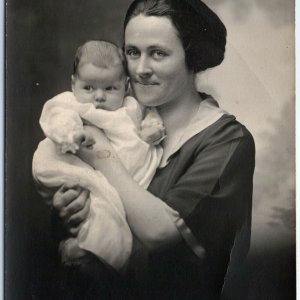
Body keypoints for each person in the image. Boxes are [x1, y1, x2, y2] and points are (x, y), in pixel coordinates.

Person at [50, 0, 255, 299]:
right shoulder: (112, 118)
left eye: (158, 53)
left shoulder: (226, 140)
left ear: (192, 58)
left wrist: (101, 154)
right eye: (133, 52)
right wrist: (66, 209)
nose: (141, 69)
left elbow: (161, 233)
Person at [32, 40, 165, 271]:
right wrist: (71, 134)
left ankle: (87, 250)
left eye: (110, 88)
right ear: (74, 85)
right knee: (103, 207)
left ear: (126, 86)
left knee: (107, 208)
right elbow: (57, 117)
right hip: (72, 164)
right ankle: (85, 251)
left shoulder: (133, 106)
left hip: (115, 175)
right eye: (89, 88)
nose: (99, 97)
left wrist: (151, 129)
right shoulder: (72, 103)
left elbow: (150, 118)